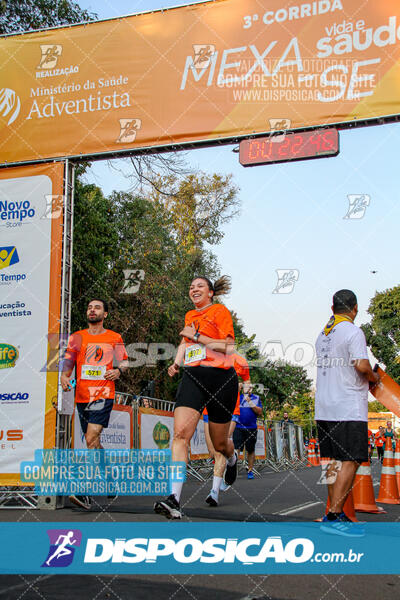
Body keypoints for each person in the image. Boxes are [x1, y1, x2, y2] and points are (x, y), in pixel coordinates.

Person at [154, 275, 238, 519]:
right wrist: (176, 363)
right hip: (194, 377)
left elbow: (228, 347)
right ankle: (174, 499)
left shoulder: (220, 311)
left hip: (221, 379)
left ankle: (231, 459)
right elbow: (184, 342)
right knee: (180, 434)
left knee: (220, 444)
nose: (194, 289)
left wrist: (198, 337)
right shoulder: (190, 316)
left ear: (210, 292)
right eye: (191, 287)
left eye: (199, 286)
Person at [315, 289, 379, 536]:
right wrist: (373, 378)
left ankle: (333, 513)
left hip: (324, 406)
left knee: (331, 462)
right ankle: (334, 517)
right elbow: (361, 365)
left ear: (332, 309)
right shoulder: (353, 331)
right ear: (355, 308)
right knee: (350, 460)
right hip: (348, 406)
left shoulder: (323, 334)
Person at [61, 298, 128, 510]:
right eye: (89, 307)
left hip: (103, 393)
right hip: (81, 396)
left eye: (97, 307)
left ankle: (85, 492)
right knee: (94, 443)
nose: (92, 310)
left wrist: (118, 370)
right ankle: (109, 477)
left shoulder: (114, 337)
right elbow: (69, 360)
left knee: (90, 438)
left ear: (105, 314)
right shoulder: (77, 337)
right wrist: (64, 376)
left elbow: (124, 361)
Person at [204, 352, 251, 507]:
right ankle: (233, 458)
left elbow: (247, 384)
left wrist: (242, 387)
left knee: (219, 451)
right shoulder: (208, 356)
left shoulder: (240, 361)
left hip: (230, 410)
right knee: (212, 450)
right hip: (209, 409)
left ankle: (214, 492)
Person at [233, 384, 263, 479]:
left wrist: (249, 401)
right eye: (246, 387)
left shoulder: (256, 398)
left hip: (251, 428)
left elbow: (259, 412)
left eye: (250, 387)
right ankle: (233, 470)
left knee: (250, 450)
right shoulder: (238, 397)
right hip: (238, 427)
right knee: (236, 449)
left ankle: (250, 470)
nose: (248, 389)